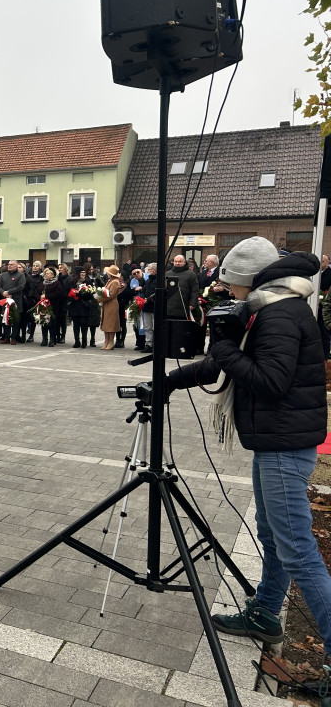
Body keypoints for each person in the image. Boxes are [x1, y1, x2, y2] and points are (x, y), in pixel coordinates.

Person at [166, 238, 331, 674]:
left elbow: (268, 380)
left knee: (297, 550)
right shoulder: (272, 305)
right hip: (276, 442)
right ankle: (264, 613)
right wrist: (170, 380)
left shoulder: (278, 313)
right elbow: (228, 364)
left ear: (252, 280)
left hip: (283, 445)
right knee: (274, 538)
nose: (230, 294)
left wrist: (223, 347)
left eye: (232, 286)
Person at [0, 260, 26, 345]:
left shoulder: (21, 275)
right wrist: (4, 293)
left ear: (16, 266)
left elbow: (21, 287)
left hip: (16, 301)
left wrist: (9, 292)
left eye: (12, 265)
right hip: (5, 301)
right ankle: (6, 337)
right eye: (9, 264)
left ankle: (14, 337)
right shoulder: (3, 275)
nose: (9, 266)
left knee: (15, 320)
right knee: (6, 318)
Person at [100, 265, 122, 350]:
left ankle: (111, 341)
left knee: (111, 323)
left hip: (112, 304)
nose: (107, 274)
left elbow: (111, 295)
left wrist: (99, 299)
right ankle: (106, 341)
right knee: (106, 323)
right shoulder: (110, 281)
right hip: (107, 303)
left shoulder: (115, 282)